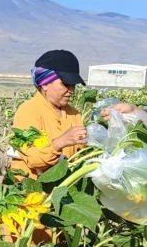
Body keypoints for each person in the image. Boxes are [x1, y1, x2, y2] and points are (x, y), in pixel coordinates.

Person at [10, 49, 88, 178]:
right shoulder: (28, 111)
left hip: (63, 192)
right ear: (45, 83)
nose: (71, 90)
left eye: (73, 85)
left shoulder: (74, 114)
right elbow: (34, 159)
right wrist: (60, 142)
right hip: (30, 192)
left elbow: (80, 154)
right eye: (66, 84)